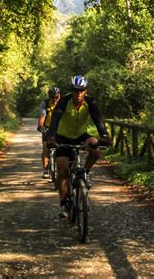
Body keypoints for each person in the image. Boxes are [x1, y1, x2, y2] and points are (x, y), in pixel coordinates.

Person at [46, 75, 110, 219]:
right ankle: (63, 204)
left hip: (81, 135)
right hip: (62, 137)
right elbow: (55, 119)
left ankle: (85, 173)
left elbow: (98, 119)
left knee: (96, 149)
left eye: (81, 90)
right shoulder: (63, 101)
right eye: (75, 90)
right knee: (62, 169)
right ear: (71, 90)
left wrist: (104, 135)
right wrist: (51, 137)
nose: (78, 93)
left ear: (85, 90)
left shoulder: (90, 102)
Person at [37, 87, 61, 179]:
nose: (54, 99)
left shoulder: (63, 103)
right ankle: (46, 170)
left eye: (56, 97)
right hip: (47, 128)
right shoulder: (45, 103)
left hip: (61, 128)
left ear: (59, 96)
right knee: (46, 148)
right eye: (52, 97)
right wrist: (40, 126)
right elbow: (43, 115)